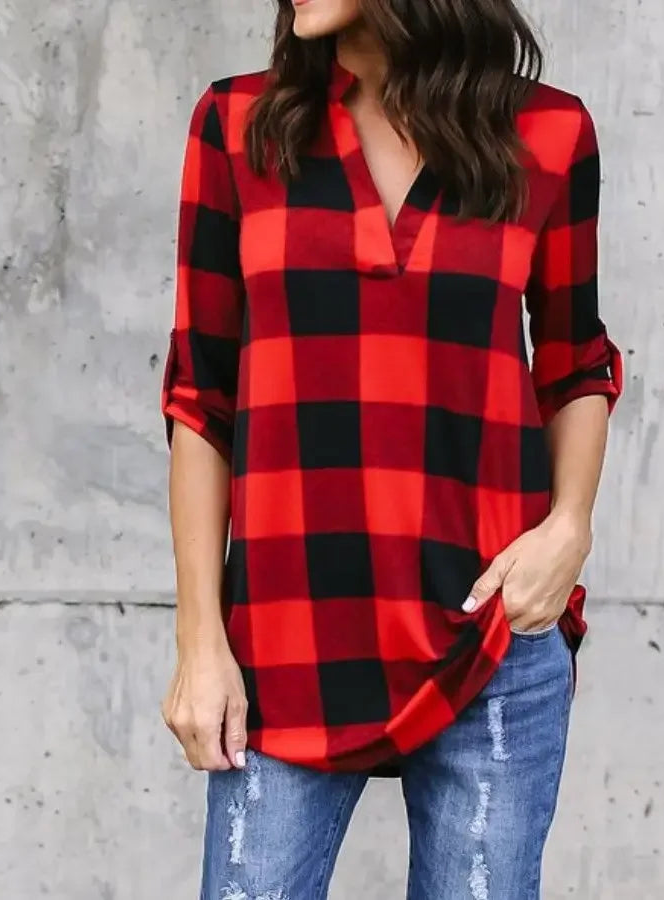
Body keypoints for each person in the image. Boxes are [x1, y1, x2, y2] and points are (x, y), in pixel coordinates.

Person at [159, 0, 623, 897]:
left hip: (492, 627)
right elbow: (200, 398)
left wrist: (569, 529)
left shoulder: (549, 133)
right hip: (285, 643)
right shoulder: (238, 126)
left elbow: (574, 366)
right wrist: (199, 641)